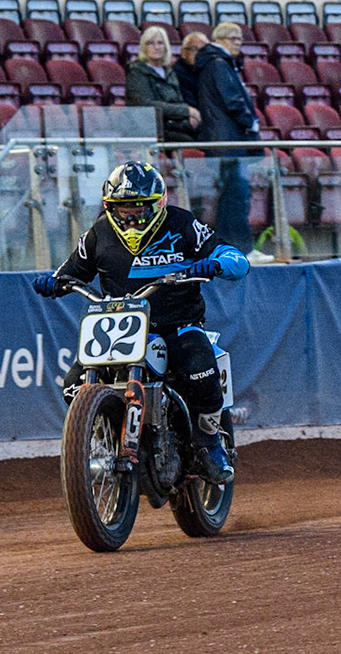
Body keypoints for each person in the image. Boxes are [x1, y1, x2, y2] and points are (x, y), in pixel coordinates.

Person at [32, 162, 250, 482]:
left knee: (201, 370)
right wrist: (54, 282)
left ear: (158, 204)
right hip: (120, 326)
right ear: (109, 209)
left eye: (139, 210)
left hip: (178, 323)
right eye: (122, 211)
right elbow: (69, 272)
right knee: (73, 385)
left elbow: (237, 260)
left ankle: (207, 444)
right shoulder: (99, 233)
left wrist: (216, 264)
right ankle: (106, 432)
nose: (131, 218)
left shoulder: (182, 223)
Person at [184, 21, 261, 251]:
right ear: (219, 40)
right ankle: (241, 249)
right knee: (236, 197)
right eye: (232, 39)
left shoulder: (218, 63)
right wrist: (251, 123)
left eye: (239, 39)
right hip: (228, 140)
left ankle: (232, 248)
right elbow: (233, 101)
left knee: (232, 197)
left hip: (226, 140)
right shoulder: (219, 64)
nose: (237, 43)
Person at [125, 25, 200, 143]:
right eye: (150, 43)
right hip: (150, 130)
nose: (156, 47)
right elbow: (147, 105)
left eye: (160, 43)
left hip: (174, 126)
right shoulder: (136, 72)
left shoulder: (169, 71)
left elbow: (178, 100)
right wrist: (186, 111)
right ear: (143, 47)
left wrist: (189, 116)